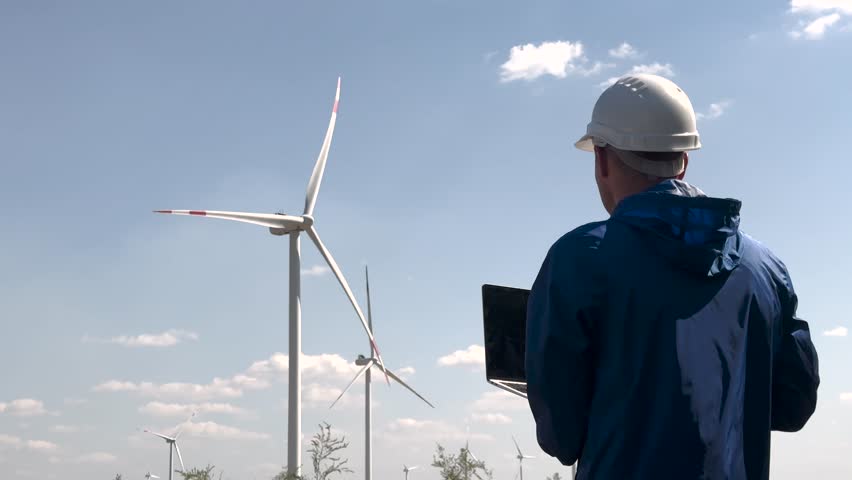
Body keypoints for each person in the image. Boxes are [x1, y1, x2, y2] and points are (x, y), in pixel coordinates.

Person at [524, 74, 820, 480]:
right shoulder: (766, 269)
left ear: (602, 158)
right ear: (683, 162)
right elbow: (792, 406)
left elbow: (561, 436)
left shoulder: (579, 260)